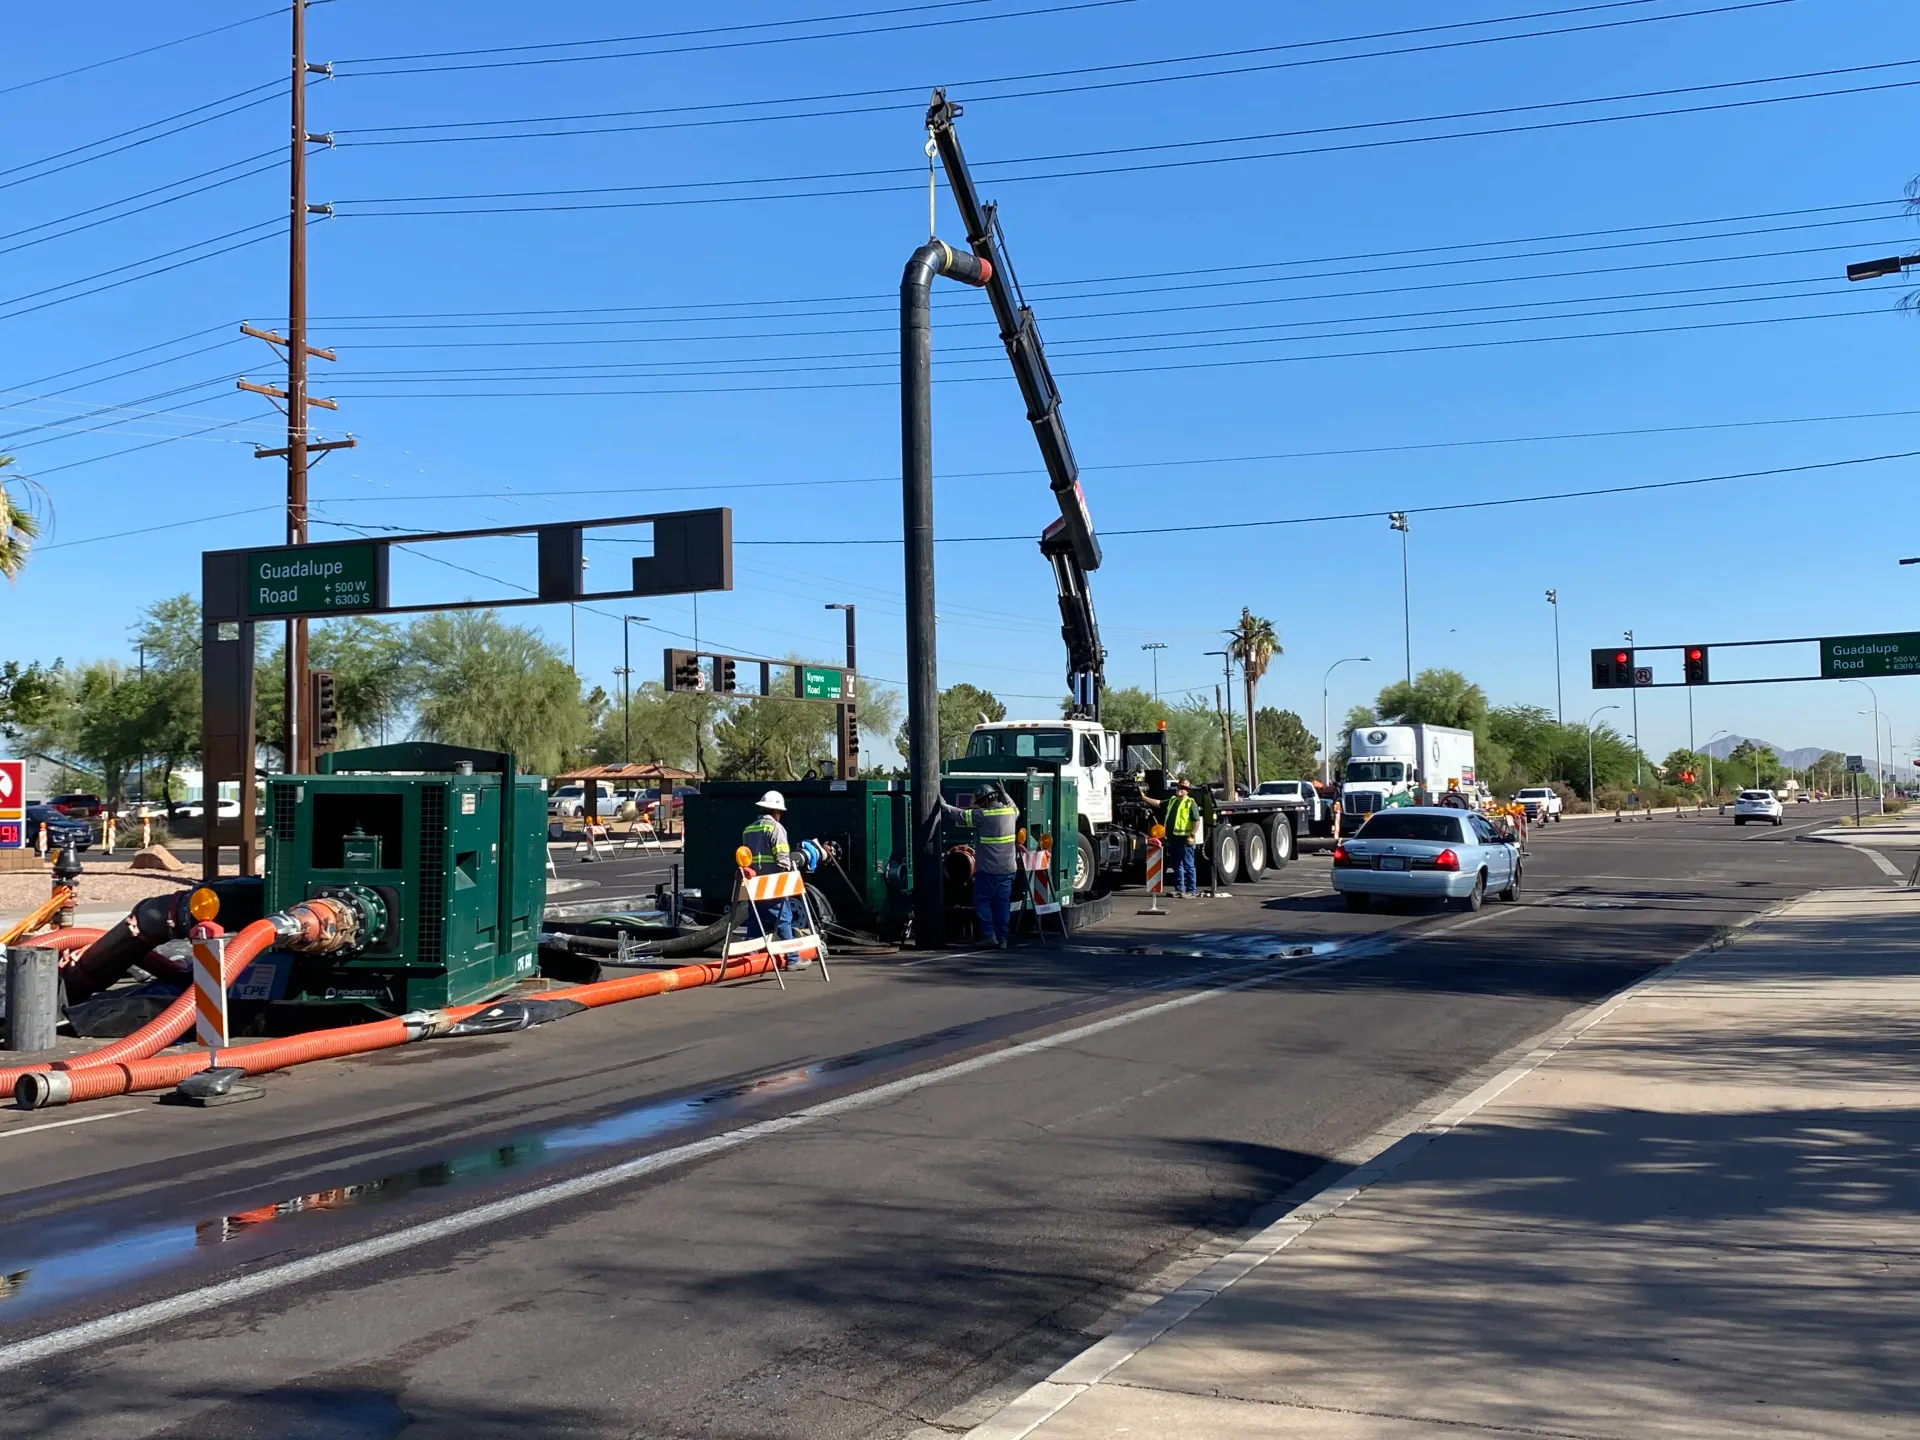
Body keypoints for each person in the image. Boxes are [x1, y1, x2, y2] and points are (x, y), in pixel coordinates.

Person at [938, 782, 1021, 948]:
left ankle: (989, 936)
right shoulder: (1010, 812)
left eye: (980, 802)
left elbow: (960, 815)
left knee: (982, 903)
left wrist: (944, 806)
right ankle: (1003, 939)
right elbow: (1014, 806)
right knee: (1002, 903)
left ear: (984, 801)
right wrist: (1005, 793)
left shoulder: (983, 816)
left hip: (988, 871)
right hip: (1008, 869)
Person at [741, 790, 798, 945]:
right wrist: (787, 879)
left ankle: (751, 957)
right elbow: (783, 858)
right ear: (776, 812)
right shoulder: (776, 828)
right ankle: (791, 958)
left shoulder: (748, 829)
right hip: (772, 885)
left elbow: (745, 858)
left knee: (755, 921)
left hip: (754, 884)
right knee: (783, 919)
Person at [1144, 777, 1201, 897]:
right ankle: (1179, 889)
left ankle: (1191, 891)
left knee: (1188, 865)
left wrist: (1192, 835)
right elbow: (1158, 803)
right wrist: (1144, 798)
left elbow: (1196, 820)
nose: (1180, 789)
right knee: (1176, 865)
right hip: (1173, 839)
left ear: (1187, 791)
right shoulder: (1172, 801)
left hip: (1185, 839)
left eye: (1183, 788)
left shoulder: (1190, 803)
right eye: (1179, 787)